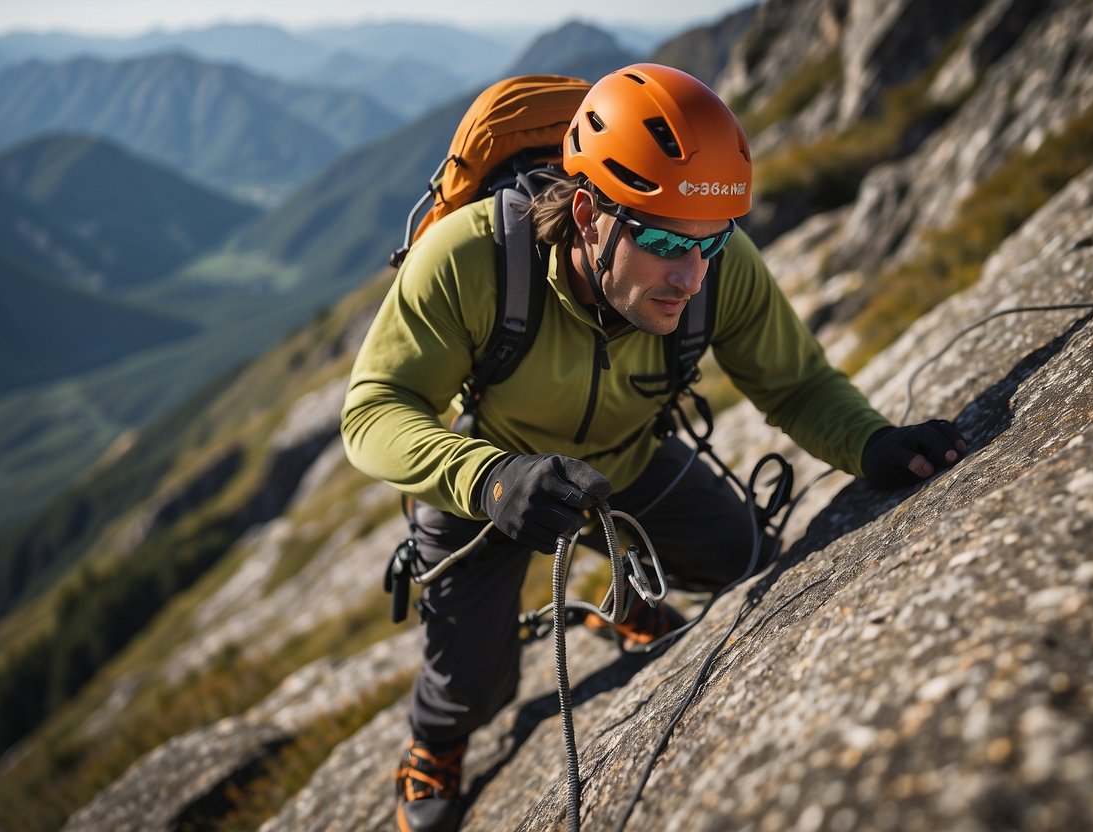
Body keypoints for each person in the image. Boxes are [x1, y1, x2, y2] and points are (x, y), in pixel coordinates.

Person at [340, 63, 965, 832]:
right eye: (666, 239)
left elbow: (795, 384)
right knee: (469, 687)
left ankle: (625, 596)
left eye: (711, 238)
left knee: (736, 555)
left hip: (626, 462)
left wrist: (870, 442)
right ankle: (431, 746)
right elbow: (373, 410)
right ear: (587, 213)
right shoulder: (474, 261)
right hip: (491, 476)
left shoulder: (712, 268)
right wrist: (490, 479)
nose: (690, 274)